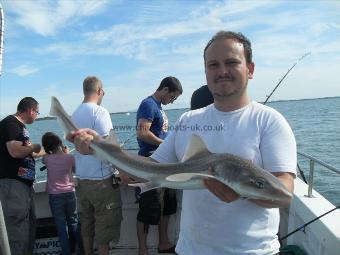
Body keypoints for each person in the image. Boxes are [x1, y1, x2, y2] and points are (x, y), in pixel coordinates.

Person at [70, 31, 296, 255]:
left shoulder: (269, 121)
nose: (222, 71)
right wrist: (99, 148)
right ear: (206, 72)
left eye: (232, 62)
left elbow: (284, 191)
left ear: (250, 69)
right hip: (190, 249)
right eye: (213, 65)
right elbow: (149, 169)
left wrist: (243, 191)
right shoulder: (189, 120)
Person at [71, 76, 122, 255]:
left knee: (87, 224)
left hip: (82, 180)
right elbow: (107, 146)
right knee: (104, 226)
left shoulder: (74, 114)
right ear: (99, 91)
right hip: (101, 181)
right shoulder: (100, 112)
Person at [136, 76, 182, 255]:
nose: (172, 101)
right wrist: (165, 145)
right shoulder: (148, 104)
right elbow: (142, 133)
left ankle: (163, 242)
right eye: (173, 97)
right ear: (165, 90)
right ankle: (142, 249)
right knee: (148, 209)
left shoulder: (159, 108)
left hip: (166, 165)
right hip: (151, 164)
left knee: (168, 206)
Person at [0, 97, 43, 255]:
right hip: (13, 186)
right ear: (31, 110)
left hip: (23, 187)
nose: (37, 116)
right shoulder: (11, 123)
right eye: (37, 112)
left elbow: (27, 152)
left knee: (27, 231)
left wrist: (51, 153)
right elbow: (15, 151)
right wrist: (34, 147)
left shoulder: (19, 128)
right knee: (17, 234)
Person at [41, 132, 81, 255]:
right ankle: (84, 250)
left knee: (61, 226)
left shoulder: (46, 159)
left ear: (47, 147)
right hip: (70, 194)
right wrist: (66, 153)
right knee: (74, 223)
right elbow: (75, 170)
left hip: (55, 196)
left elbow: (44, 158)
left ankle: (66, 252)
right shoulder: (70, 157)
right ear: (60, 142)